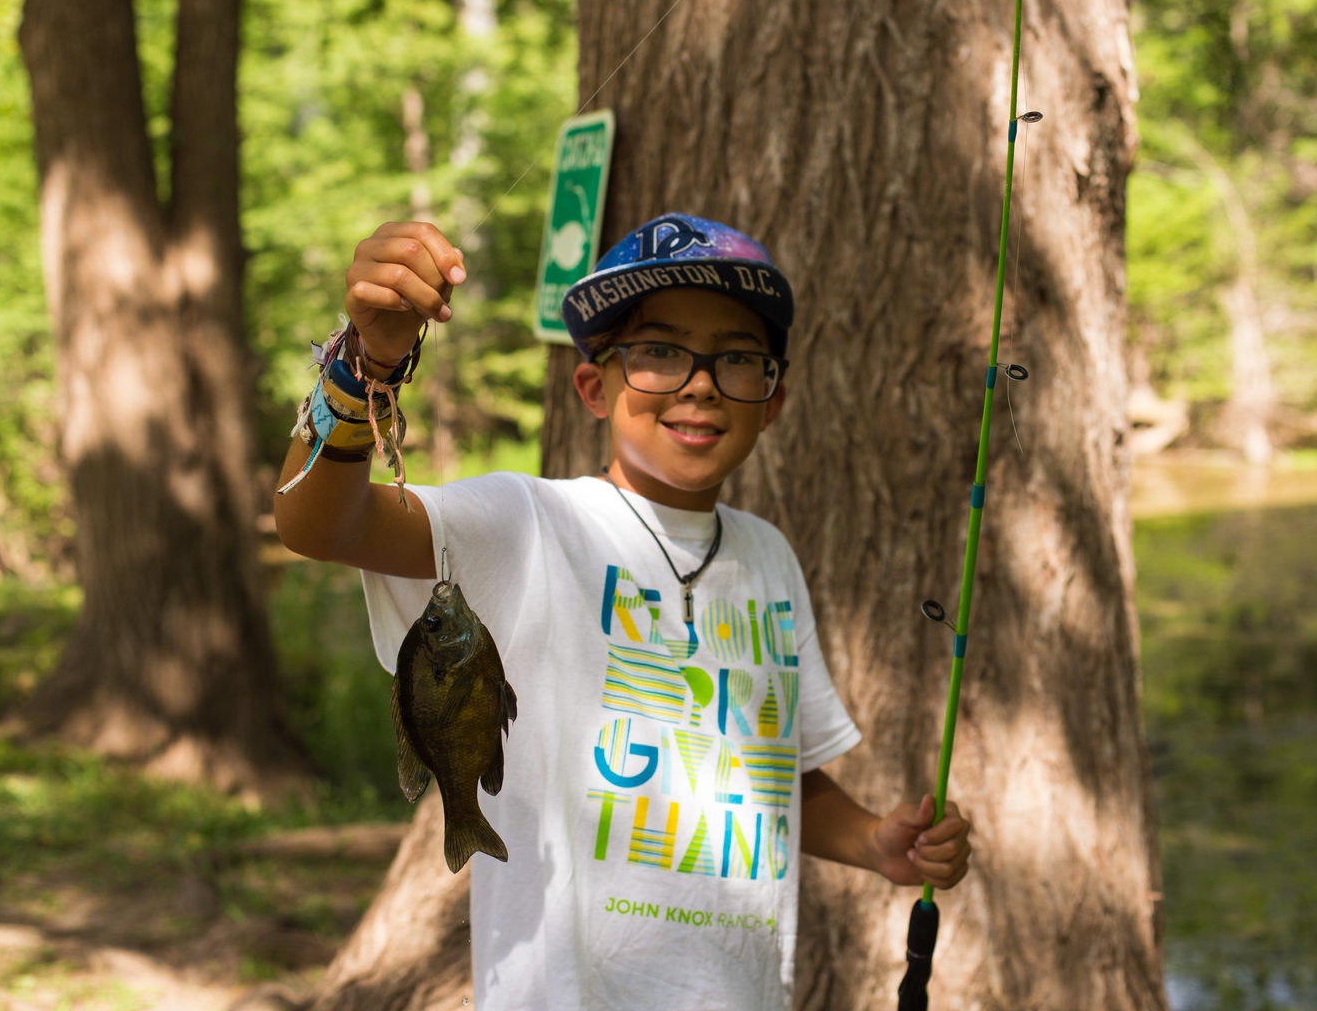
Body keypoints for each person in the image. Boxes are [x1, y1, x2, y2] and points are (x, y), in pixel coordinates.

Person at [274, 214, 973, 1010]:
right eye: (660, 352)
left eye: (737, 359)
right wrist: (365, 364)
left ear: (772, 400)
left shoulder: (769, 556)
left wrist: (875, 842)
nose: (700, 384)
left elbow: (775, 776)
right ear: (594, 388)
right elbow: (317, 525)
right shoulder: (527, 523)